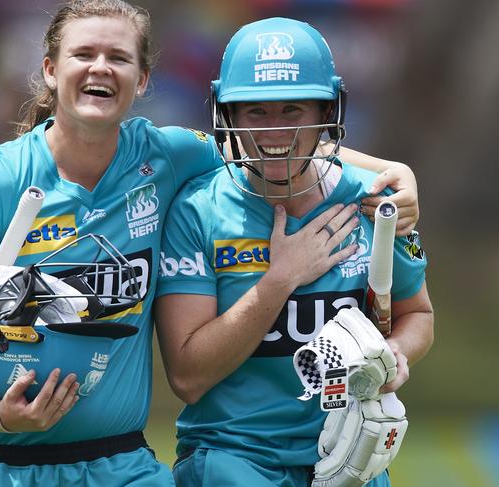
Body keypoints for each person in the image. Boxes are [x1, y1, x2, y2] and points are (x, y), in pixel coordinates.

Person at [0, 2, 422, 485]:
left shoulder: (166, 156)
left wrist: (392, 172)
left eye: (118, 57)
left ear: (142, 80)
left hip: (117, 462)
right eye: (84, 54)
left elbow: (272, 142)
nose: (101, 67)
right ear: (50, 69)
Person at [155, 17, 434, 487]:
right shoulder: (197, 209)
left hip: (352, 453)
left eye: (293, 110)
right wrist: (280, 279)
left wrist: (395, 352)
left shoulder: (375, 200)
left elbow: (418, 314)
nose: (274, 131)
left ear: (328, 110)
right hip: (232, 457)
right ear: (228, 115)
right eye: (255, 112)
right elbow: (188, 376)